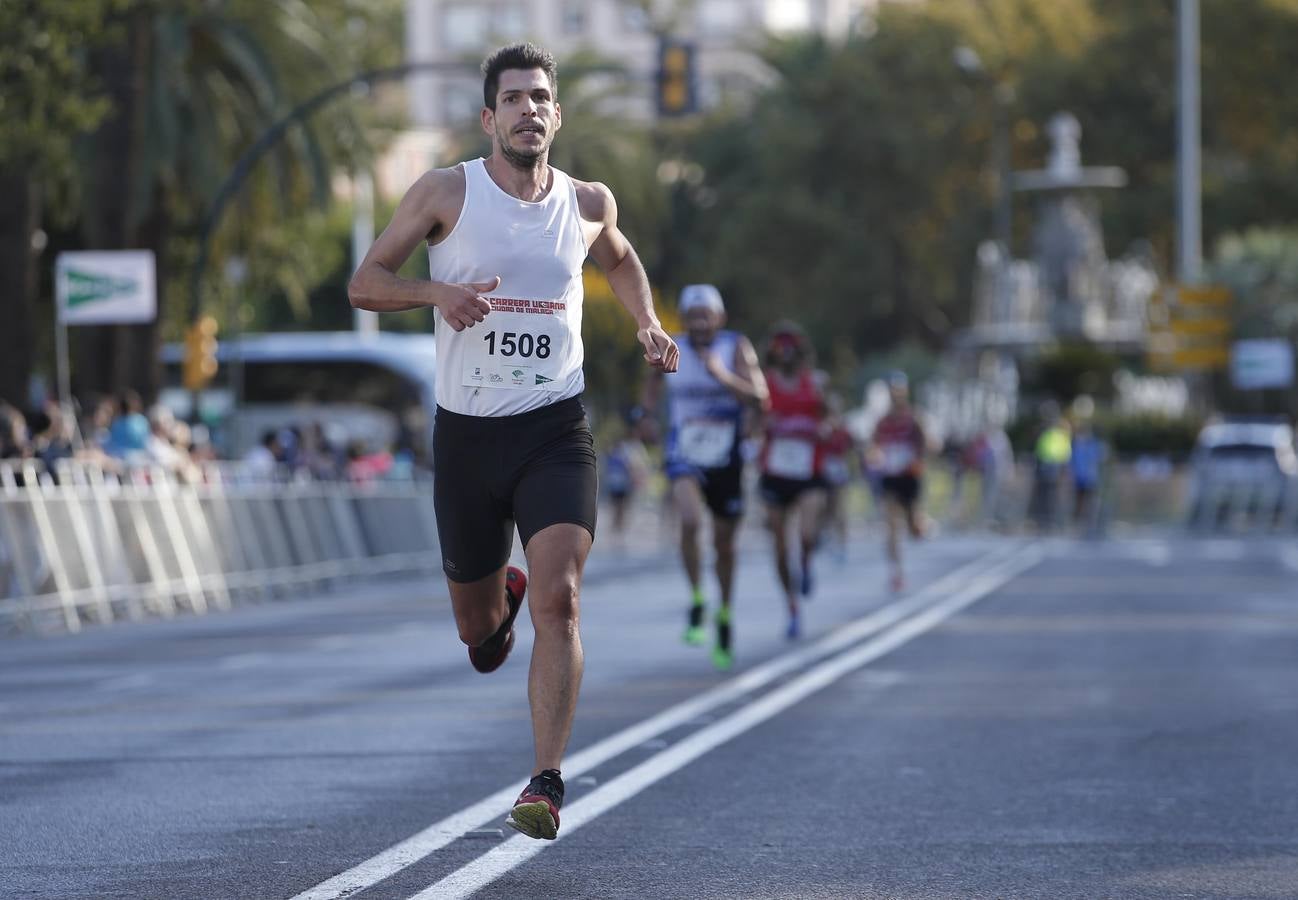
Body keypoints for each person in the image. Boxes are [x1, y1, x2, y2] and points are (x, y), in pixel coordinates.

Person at [348, 43, 679, 841]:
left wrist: (645, 320)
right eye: (514, 98)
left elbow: (623, 261)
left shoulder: (588, 201)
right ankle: (499, 611)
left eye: (541, 98)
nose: (529, 109)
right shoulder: (446, 192)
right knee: (479, 638)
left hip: (554, 431)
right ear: (489, 116)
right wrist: (437, 292)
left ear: (556, 116)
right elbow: (365, 282)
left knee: (563, 598)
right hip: (466, 437)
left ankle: (546, 781)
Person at [641, 284, 766, 671]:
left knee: (725, 546)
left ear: (719, 318)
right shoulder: (669, 345)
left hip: (726, 457)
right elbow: (649, 390)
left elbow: (761, 397)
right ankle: (697, 597)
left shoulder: (735, 347)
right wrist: (646, 418)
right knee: (691, 520)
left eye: (705, 316)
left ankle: (724, 612)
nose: (698, 324)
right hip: (685, 453)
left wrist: (722, 376)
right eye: (692, 316)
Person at [758, 322, 828, 639]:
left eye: (790, 349)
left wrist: (825, 426)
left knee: (808, 533)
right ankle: (791, 605)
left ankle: (808, 560)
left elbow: (830, 418)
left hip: (807, 471)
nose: (785, 355)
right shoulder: (764, 387)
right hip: (775, 473)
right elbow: (753, 423)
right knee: (780, 549)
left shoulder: (813, 384)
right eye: (780, 349)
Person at [867, 372, 928, 593]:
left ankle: (920, 524)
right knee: (891, 527)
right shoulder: (882, 421)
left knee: (913, 528)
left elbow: (927, 444)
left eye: (899, 391)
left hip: (909, 477)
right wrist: (875, 457)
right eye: (892, 391)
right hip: (890, 477)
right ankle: (896, 573)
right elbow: (873, 446)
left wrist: (916, 459)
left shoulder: (914, 418)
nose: (896, 395)